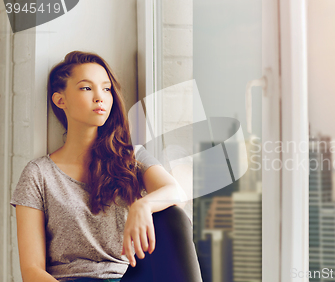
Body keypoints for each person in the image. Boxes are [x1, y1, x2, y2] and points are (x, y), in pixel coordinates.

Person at [10, 51, 203, 282]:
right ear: (60, 100)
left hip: (127, 275)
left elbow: (176, 192)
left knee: (173, 216)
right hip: (74, 279)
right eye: (86, 88)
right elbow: (32, 270)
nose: (100, 97)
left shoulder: (132, 157)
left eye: (106, 89)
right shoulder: (38, 174)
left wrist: (144, 205)